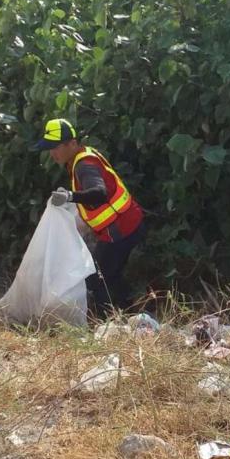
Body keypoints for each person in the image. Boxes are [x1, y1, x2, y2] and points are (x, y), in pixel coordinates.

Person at [33, 118, 145, 317]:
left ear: (72, 144)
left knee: (98, 277)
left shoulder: (84, 165)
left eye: (56, 147)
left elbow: (99, 193)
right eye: (49, 148)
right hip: (126, 225)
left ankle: (105, 321)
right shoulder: (83, 157)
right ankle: (129, 314)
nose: (52, 153)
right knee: (109, 274)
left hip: (121, 228)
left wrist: (70, 196)